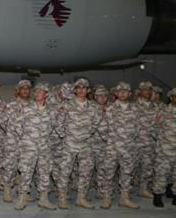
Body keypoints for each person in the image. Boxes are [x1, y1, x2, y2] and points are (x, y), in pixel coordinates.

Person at [55, 78, 101, 209]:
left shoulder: (93, 107)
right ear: (75, 90)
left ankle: (81, 198)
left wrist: (87, 134)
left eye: (84, 88)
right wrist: (66, 136)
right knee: (65, 172)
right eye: (78, 88)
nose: (81, 90)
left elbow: (96, 123)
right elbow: (59, 123)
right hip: (70, 144)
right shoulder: (67, 105)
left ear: (88, 90)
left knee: (86, 172)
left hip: (85, 145)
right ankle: (62, 198)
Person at [12, 82, 58, 211]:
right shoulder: (26, 108)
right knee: (25, 173)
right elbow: (17, 126)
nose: (37, 93)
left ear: (46, 94)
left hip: (44, 147)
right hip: (29, 147)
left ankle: (43, 199)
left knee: (44, 173)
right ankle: (22, 198)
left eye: (40, 91)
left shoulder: (51, 111)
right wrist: (28, 138)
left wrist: (44, 139)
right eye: (36, 91)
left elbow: (53, 127)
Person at [96, 82, 141, 209]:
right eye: (120, 91)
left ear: (129, 93)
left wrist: (128, 140)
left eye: (125, 91)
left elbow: (137, 128)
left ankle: (124, 198)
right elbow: (102, 127)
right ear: (116, 93)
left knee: (127, 173)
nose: (122, 93)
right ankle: (106, 197)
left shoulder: (135, 109)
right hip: (112, 148)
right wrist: (111, 140)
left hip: (128, 148)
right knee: (108, 173)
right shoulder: (110, 109)